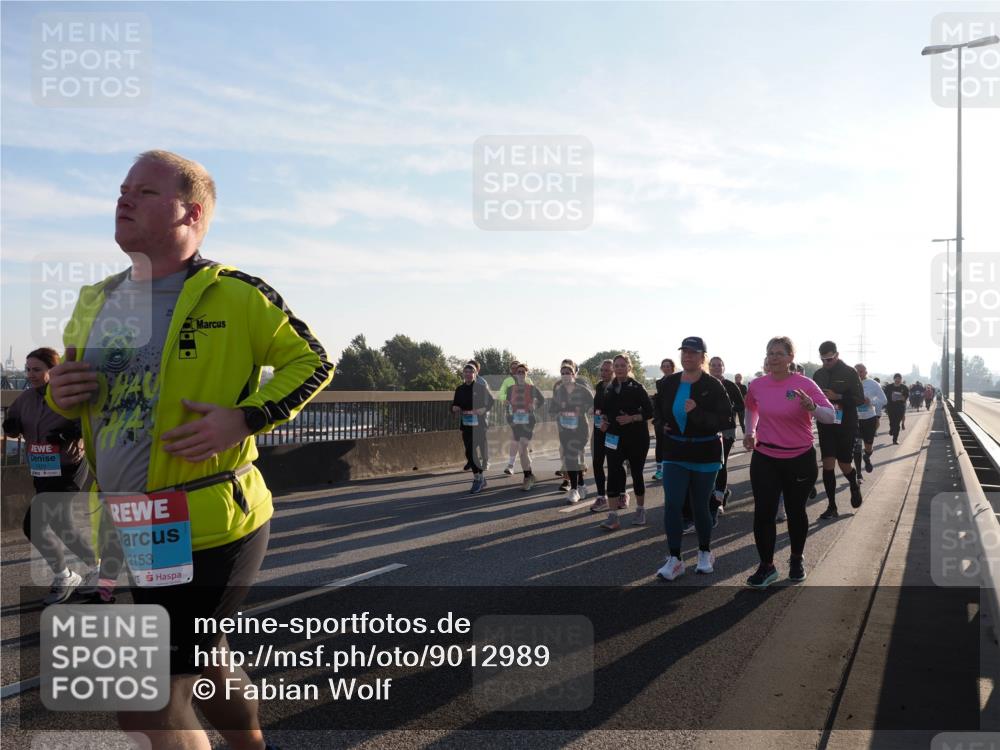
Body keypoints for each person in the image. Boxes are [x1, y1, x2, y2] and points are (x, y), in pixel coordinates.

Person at [46, 150, 334, 750]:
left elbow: (312, 361)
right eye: (123, 188)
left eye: (145, 192)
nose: (124, 198)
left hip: (210, 516)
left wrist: (245, 418)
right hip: (134, 522)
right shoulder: (95, 299)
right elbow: (70, 397)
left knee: (149, 697)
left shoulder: (235, 294)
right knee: (206, 659)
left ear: (192, 213)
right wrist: (60, 394)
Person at [2, 348, 98, 604]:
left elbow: (90, 421)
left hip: (68, 469)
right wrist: (10, 427)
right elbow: (13, 426)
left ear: (52, 371)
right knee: (62, 525)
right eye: (27, 369)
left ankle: (64, 575)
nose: (30, 374)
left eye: (37, 369)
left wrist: (71, 433)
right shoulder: (25, 398)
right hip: (41, 471)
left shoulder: (68, 396)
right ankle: (96, 568)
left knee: (33, 525)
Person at [744, 337, 835, 588]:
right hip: (765, 456)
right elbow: (751, 408)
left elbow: (830, 416)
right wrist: (750, 431)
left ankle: (796, 559)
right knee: (764, 512)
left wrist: (812, 406)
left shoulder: (805, 384)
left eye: (779, 353)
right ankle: (767, 566)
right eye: (770, 353)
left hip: (799, 458)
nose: (773, 357)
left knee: (795, 511)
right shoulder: (757, 385)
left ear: (790, 358)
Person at [655, 338, 732, 580]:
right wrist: (661, 424)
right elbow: (657, 411)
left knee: (700, 505)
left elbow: (725, 420)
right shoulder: (668, 383)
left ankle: (705, 552)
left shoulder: (713, 385)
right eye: (684, 352)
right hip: (674, 451)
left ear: (703, 357)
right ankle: (675, 559)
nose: (687, 356)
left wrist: (697, 412)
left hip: (705, 452)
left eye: (693, 352)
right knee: (672, 504)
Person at [597, 354, 652, 530]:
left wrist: (631, 418)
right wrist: (602, 422)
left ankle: (640, 510)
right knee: (613, 473)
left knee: (636, 473)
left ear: (629, 367)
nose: (619, 368)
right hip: (614, 437)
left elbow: (650, 411)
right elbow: (603, 411)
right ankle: (613, 516)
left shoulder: (637, 387)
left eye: (623, 365)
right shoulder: (608, 388)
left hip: (637, 437)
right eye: (617, 366)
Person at [812, 341, 865, 518]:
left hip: (846, 424)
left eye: (829, 359)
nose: (826, 363)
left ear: (837, 355)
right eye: (823, 360)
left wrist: (838, 396)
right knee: (828, 465)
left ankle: (853, 483)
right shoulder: (818, 374)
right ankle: (832, 506)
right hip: (826, 424)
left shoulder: (850, 372)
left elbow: (859, 399)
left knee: (844, 464)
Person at [549, 361, 593, 503]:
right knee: (570, 458)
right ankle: (579, 486)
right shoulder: (559, 391)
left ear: (574, 374)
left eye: (568, 373)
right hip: (565, 429)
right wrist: (558, 413)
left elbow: (592, 404)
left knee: (573, 456)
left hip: (580, 429)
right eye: (562, 373)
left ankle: (575, 488)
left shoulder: (582, 390)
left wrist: (585, 409)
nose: (565, 375)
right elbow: (552, 410)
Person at [708, 356, 744, 518]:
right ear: (709, 367)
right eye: (713, 365)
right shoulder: (703, 383)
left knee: (721, 463)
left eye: (719, 365)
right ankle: (715, 493)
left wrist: (728, 408)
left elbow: (741, 405)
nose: (716, 367)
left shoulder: (730, 385)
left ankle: (719, 500)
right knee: (709, 464)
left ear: (723, 368)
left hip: (727, 430)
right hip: (707, 429)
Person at [452, 364, 494, 493]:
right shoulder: (460, 389)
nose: (468, 374)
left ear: (475, 374)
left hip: (479, 425)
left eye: (471, 372)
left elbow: (491, 402)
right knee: (468, 453)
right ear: (463, 374)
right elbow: (455, 404)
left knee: (471, 451)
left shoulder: (481, 388)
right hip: (466, 424)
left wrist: (483, 409)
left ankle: (478, 478)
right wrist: (454, 408)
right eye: (466, 372)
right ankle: (480, 476)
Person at [505, 362, 545, 490]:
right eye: (519, 372)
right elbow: (508, 406)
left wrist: (535, 405)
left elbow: (542, 400)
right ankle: (529, 474)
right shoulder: (510, 389)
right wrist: (509, 415)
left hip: (528, 421)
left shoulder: (532, 388)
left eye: (523, 372)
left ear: (526, 374)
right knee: (523, 451)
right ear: (515, 374)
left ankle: (527, 478)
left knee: (522, 446)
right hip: (516, 421)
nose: (521, 374)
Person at [589, 359, 615, 513]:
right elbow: (598, 406)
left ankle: (621, 494)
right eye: (602, 370)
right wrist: (594, 411)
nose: (604, 373)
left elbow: (619, 409)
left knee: (614, 464)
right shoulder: (599, 386)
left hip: (612, 431)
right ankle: (601, 496)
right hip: (598, 430)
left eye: (607, 371)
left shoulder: (617, 387)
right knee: (597, 463)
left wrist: (608, 419)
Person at [498, 360, 531, 475]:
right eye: (512, 368)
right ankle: (511, 464)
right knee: (515, 437)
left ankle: (521, 460)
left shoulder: (528, 380)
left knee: (519, 440)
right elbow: (501, 393)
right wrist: (505, 400)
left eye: (516, 368)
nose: (514, 370)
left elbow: (534, 395)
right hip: (512, 413)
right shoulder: (507, 381)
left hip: (526, 415)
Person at [854, 363, 886, 473]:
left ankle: (867, 456)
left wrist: (871, 401)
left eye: (861, 372)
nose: (858, 374)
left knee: (868, 447)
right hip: (855, 419)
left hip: (869, 419)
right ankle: (858, 474)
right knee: (857, 447)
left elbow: (884, 400)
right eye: (856, 372)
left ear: (866, 372)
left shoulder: (873, 384)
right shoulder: (850, 383)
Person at [462, 360, 491, 471]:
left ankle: (485, 461)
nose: (469, 372)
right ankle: (471, 460)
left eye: (472, 369)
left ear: (477, 370)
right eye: (467, 370)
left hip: (481, 417)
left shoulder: (482, 382)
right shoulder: (465, 381)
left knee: (482, 441)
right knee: (468, 441)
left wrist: (481, 409)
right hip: (469, 417)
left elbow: (487, 400)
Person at [650, 358, 676, 482]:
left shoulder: (678, 381)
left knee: (672, 444)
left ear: (672, 368)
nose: (666, 368)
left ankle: (672, 469)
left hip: (673, 418)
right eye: (664, 366)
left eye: (668, 366)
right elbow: (659, 401)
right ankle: (659, 470)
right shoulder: (659, 382)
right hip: (660, 418)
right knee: (660, 444)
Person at [883, 373, 909, 445]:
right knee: (892, 422)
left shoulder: (904, 387)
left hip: (900, 407)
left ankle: (895, 439)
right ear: (894, 379)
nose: (898, 380)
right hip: (890, 407)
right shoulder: (889, 387)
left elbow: (906, 397)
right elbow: (884, 395)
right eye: (896, 379)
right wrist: (890, 397)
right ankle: (891, 429)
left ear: (901, 379)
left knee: (897, 423)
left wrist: (900, 397)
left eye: (899, 379)